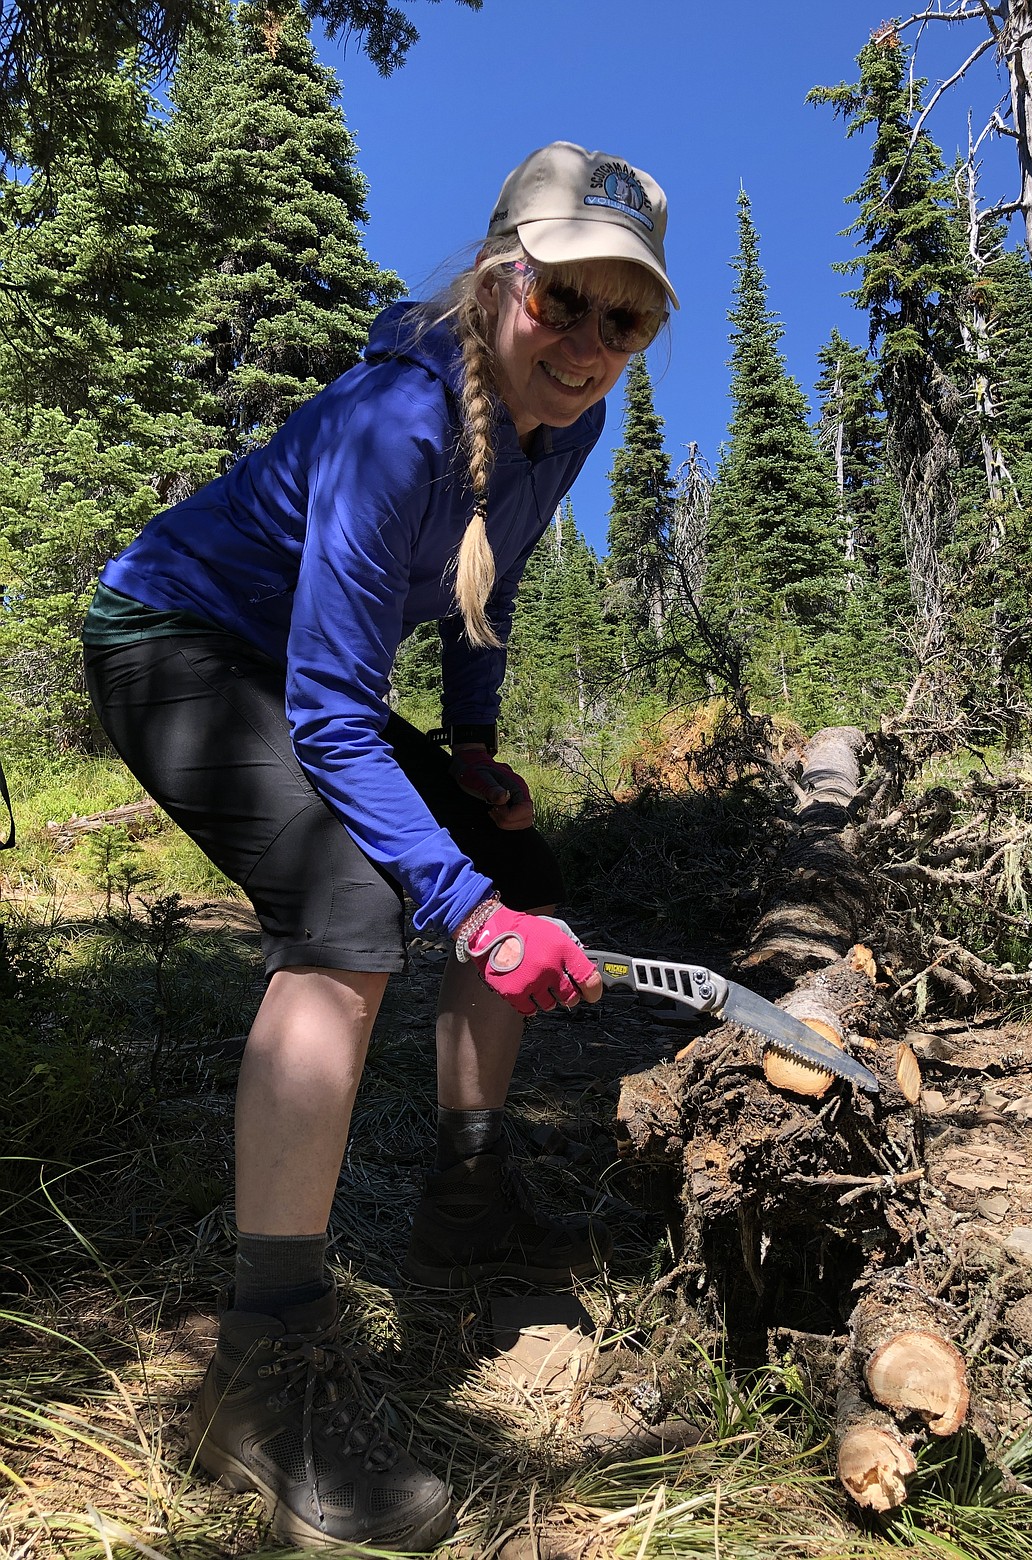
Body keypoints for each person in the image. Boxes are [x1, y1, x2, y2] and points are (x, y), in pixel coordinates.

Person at [82, 141, 677, 1552]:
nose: (588, 342)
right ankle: (266, 1358)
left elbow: (489, 589)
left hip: (291, 676)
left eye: (626, 318)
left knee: (516, 861)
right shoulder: (397, 419)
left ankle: (464, 1198)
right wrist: (466, 916)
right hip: (170, 642)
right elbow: (334, 714)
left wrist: (472, 764)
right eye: (562, 300)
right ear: (499, 277)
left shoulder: (565, 423)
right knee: (348, 906)